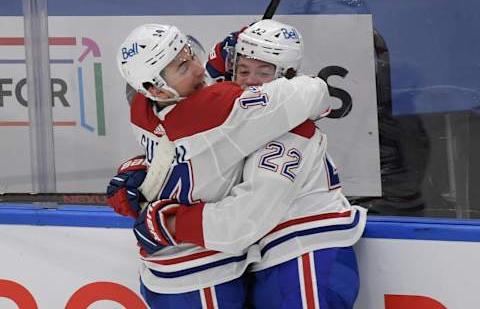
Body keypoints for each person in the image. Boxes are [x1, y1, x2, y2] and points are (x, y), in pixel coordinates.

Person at [108, 22, 334, 308]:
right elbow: (315, 94)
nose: (199, 69)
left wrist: (141, 172)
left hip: (166, 268)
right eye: (183, 67)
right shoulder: (228, 109)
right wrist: (171, 224)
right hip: (205, 268)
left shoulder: (141, 108)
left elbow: (180, 148)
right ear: (158, 89)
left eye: (192, 54)